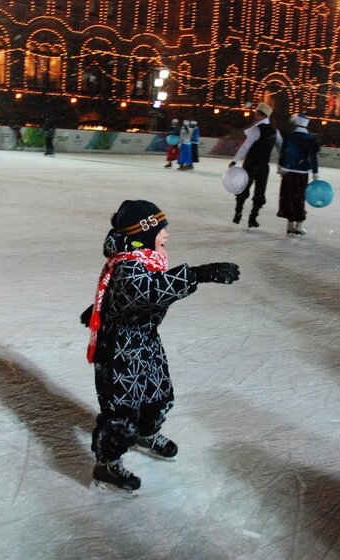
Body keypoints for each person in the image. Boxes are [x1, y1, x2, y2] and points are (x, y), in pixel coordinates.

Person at [82, 200, 240, 493]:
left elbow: (126, 293)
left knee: (158, 394)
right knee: (122, 413)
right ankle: (107, 465)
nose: (166, 232)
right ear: (142, 234)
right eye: (159, 228)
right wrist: (198, 274)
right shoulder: (129, 266)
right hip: (120, 348)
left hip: (145, 340)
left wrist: (97, 310)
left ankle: (147, 433)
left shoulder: (143, 258)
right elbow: (146, 290)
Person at [229, 103, 283, 228]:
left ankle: (238, 212)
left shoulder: (256, 130)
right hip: (264, 166)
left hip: (251, 164)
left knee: (243, 189)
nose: (254, 116)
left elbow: (245, 147)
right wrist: (282, 165)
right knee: (260, 192)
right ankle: (253, 218)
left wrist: (234, 161)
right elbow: (281, 149)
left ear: (263, 116)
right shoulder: (276, 132)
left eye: (257, 114)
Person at [277, 114, 320, 235]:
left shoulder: (290, 136)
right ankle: (299, 224)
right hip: (302, 174)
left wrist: (280, 167)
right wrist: (315, 173)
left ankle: (290, 224)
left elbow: (283, 153)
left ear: (296, 124)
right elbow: (313, 158)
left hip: (289, 172)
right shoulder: (310, 139)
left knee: (288, 197)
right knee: (300, 198)